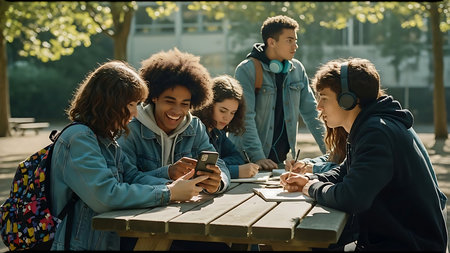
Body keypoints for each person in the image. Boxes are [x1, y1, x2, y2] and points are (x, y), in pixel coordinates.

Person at [281, 57, 447, 251]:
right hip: (396, 240)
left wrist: (311, 187)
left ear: (348, 99)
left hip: (407, 245)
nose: (318, 107)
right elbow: (345, 172)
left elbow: (351, 197)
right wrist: (310, 178)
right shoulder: (372, 126)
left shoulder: (376, 132)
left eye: (324, 98)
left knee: (296, 245)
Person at [49, 61, 209, 250]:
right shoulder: (79, 139)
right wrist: (170, 193)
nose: (135, 112)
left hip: (107, 240)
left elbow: (132, 176)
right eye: (132, 104)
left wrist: (174, 185)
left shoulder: (104, 138)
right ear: (110, 103)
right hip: (82, 245)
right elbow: (105, 196)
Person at [118, 48, 231, 195]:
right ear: (154, 97)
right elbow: (126, 177)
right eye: (170, 101)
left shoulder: (195, 127)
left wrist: (218, 182)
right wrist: (168, 175)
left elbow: (220, 165)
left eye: (185, 104)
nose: (177, 111)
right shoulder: (130, 127)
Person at [228, 15, 326, 172]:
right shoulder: (247, 70)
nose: (295, 46)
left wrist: (331, 152)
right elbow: (246, 116)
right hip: (247, 161)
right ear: (271, 42)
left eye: (295, 40)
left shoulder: (297, 69)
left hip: (279, 161)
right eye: (289, 40)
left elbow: (312, 112)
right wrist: (258, 156)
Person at [193, 74, 260, 179]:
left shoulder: (218, 132)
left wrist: (218, 163)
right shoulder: (194, 129)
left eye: (233, 113)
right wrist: (235, 171)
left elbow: (237, 158)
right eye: (222, 110)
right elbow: (198, 170)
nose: (227, 118)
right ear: (208, 105)